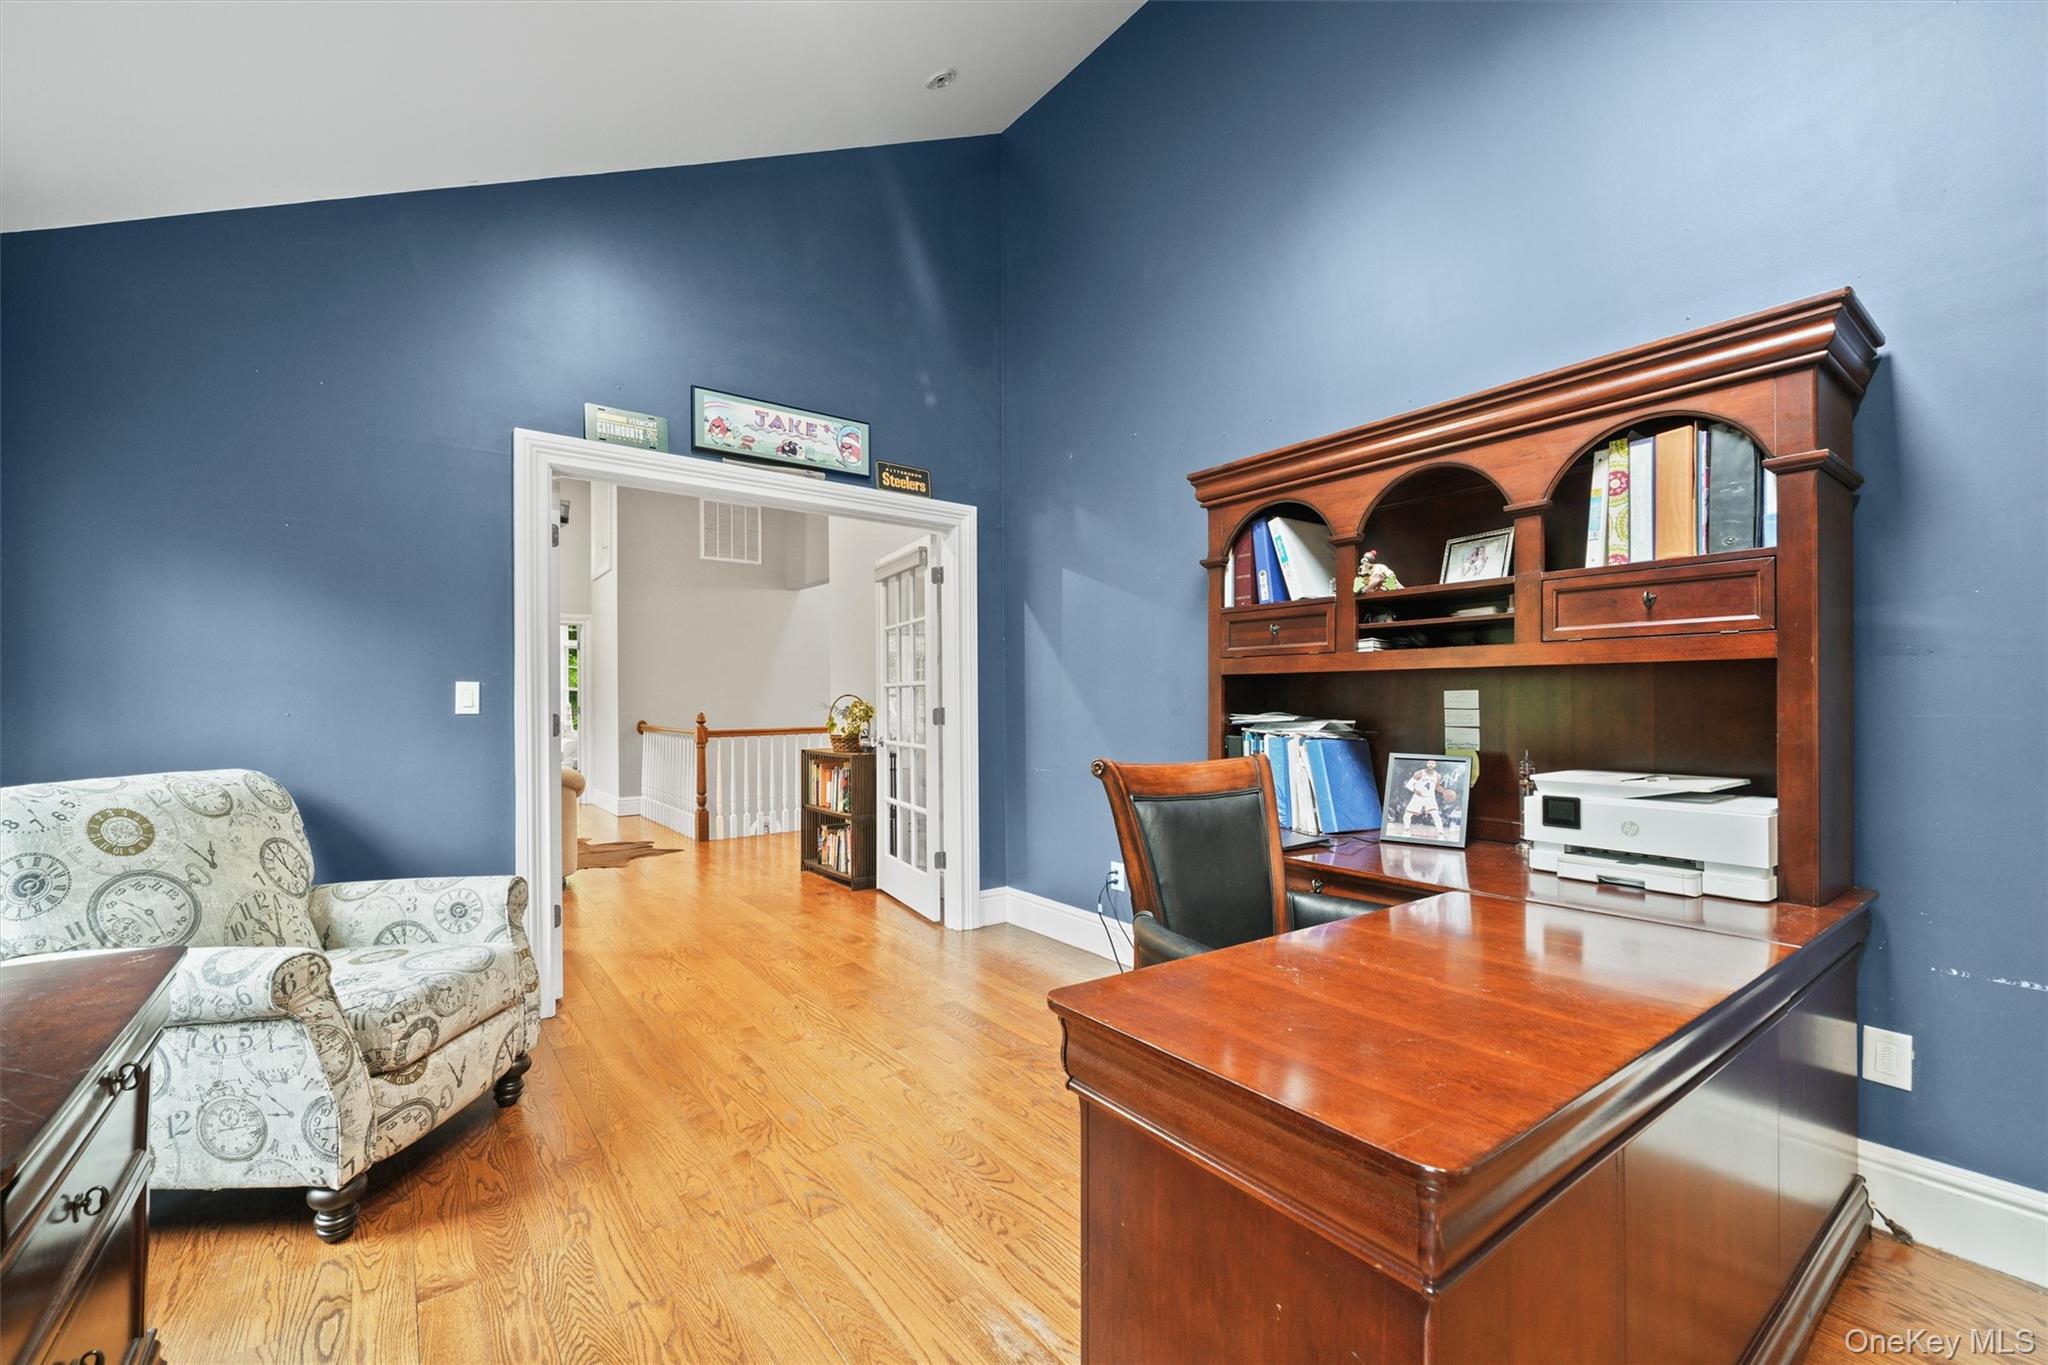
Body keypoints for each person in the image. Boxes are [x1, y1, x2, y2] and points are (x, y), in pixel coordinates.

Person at [1401, 760, 1446, 836]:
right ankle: (1406, 830)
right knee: (1407, 814)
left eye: (1432, 763)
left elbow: (1437, 787)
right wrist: (1415, 790)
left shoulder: (1437, 776)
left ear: (1435, 765)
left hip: (1430, 798)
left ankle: (1440, 832)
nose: (1431, 765)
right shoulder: (1420, 773)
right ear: (1426, 764)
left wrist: (1444, 791)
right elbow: (1409, 784)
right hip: (1418, 797)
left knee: (1436, 815)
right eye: (1429, 763)